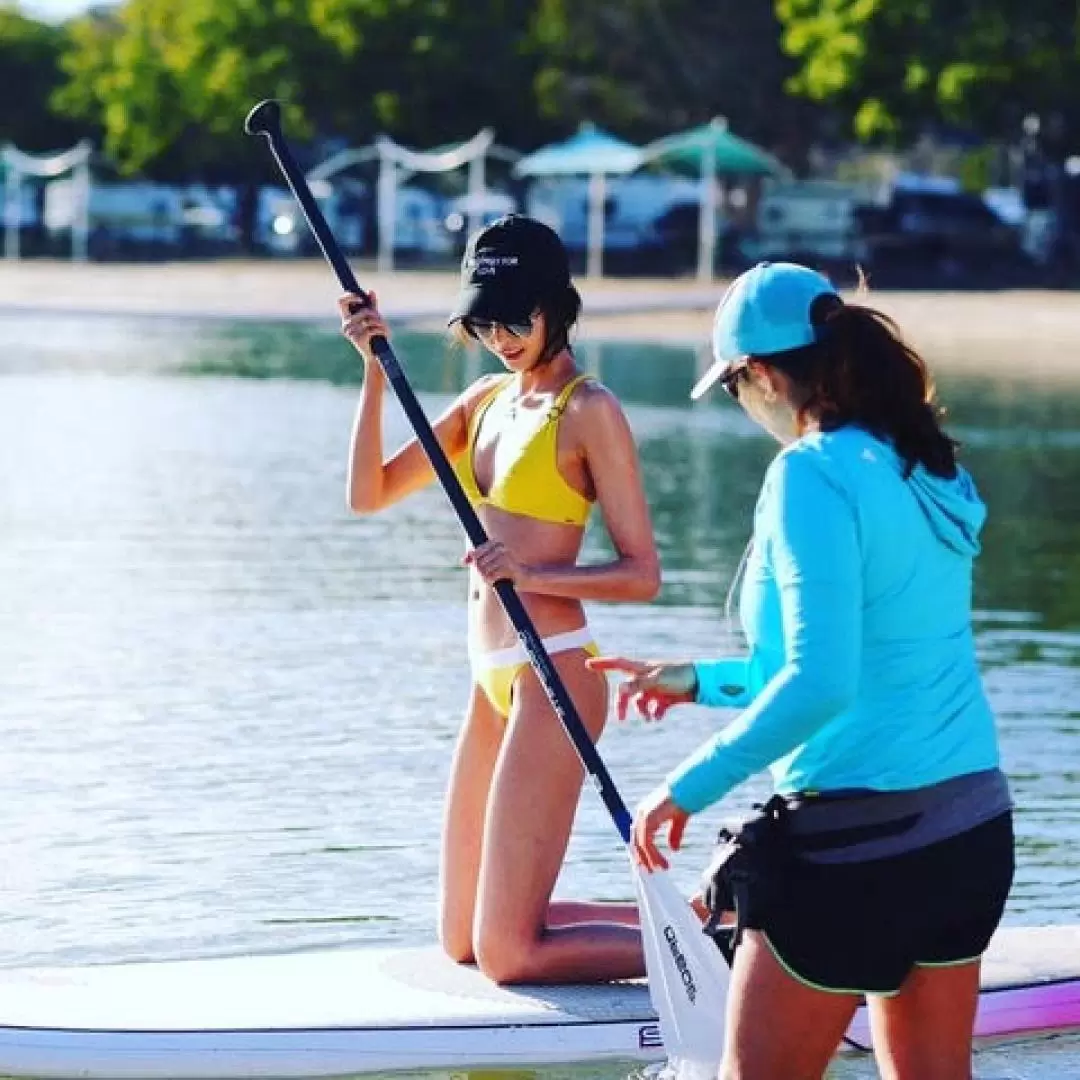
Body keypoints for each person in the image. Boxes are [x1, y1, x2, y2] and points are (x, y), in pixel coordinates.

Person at [590, 262, 1014, 1079]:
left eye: (734, 387)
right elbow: (840, 664)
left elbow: (823, 683)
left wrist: (685, 786)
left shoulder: (809, 473)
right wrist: (702, 681)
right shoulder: (928, 468)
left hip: (857, 852)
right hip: (969, 833)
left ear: (763, 375)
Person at [339, 214, 659, 985]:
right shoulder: (484, 400)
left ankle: (736, 956)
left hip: (556, 676)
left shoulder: (591, 411)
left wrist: (532, 575)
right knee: (463, 940)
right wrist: (374, 370)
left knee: (509, 956)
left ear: (558, 306)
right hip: (491, 682)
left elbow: (641, 572)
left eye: (517, 317)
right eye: (484, 321)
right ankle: (711, 918)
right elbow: (368, 494)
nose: (502, 337)